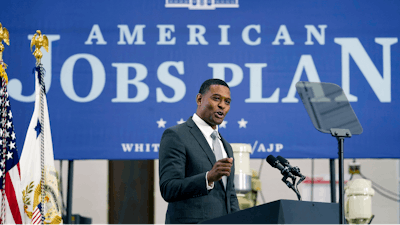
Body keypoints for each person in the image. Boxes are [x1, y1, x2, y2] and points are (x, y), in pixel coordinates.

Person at [159, 78, 240, 224]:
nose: (222, 105)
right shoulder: (177, 135)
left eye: (227, 102)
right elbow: (168, 188)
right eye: (216, 99)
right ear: (199, 99)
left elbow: (230, 195)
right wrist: (208, 178)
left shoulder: (226, 146)